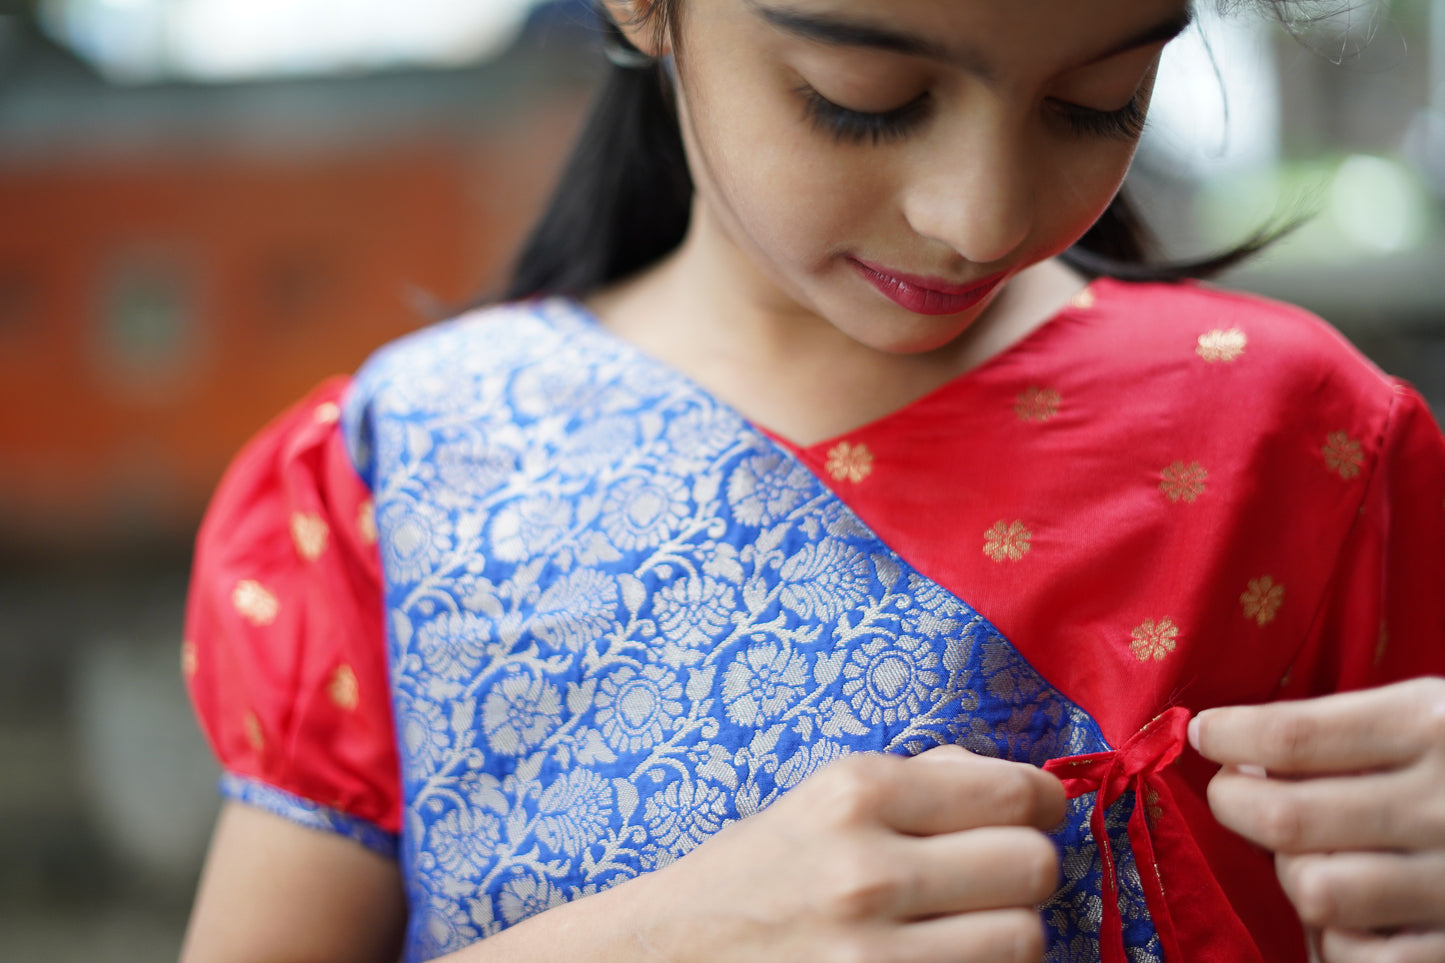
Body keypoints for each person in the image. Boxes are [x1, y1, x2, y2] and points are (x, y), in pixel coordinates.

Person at [177, 1, 1445, 961]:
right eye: (863, 98)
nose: (976, 214)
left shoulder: (1298, 443)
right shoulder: (396, 471)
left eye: (1097, 100)